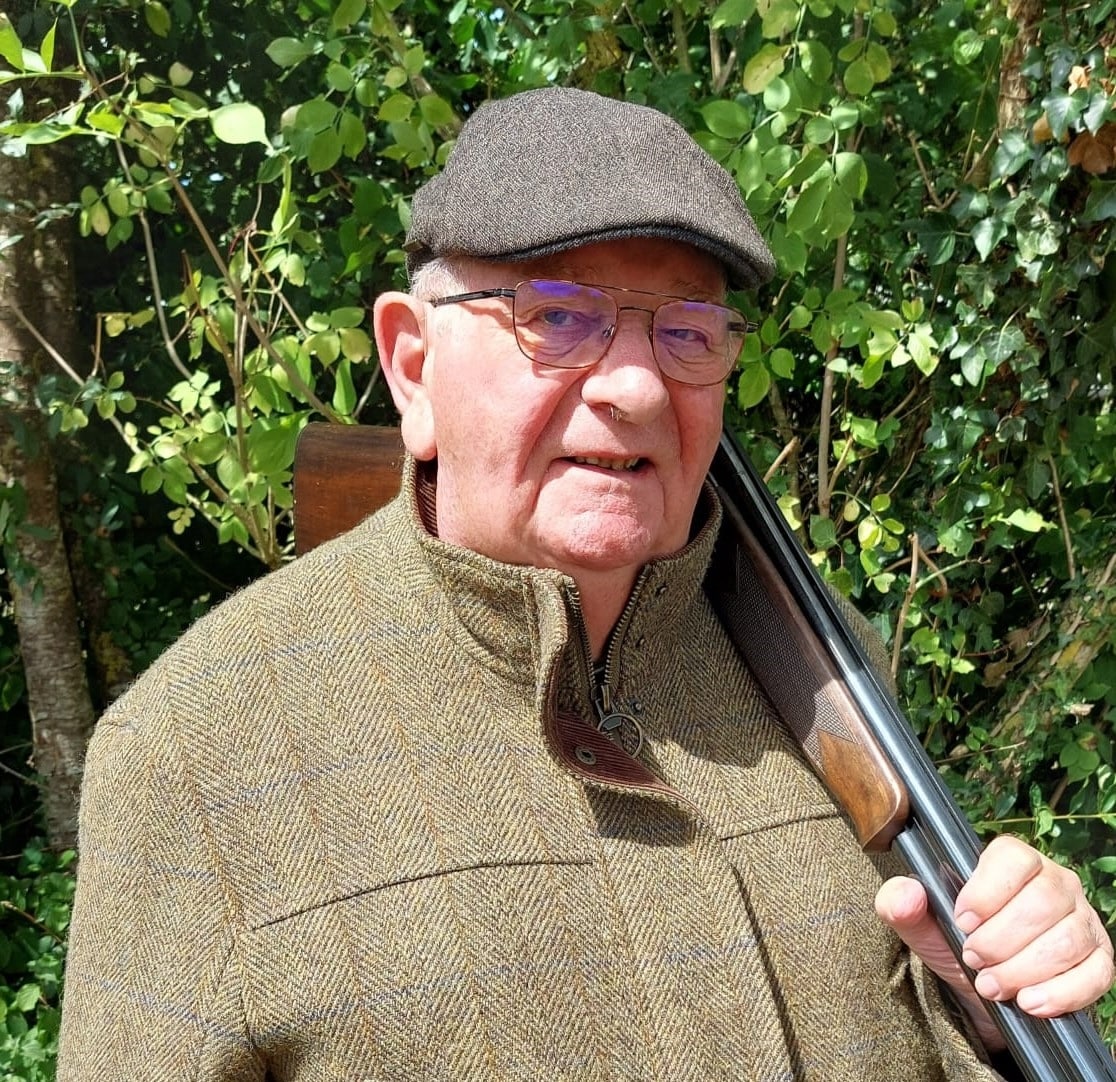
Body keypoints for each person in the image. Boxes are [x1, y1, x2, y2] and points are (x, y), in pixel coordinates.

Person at [57, 87, 1112, 1081]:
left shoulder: (823, 670)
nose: (638, 386)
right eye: (556, 315)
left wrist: (992, 1013)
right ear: (413, 366)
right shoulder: (193, 751)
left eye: (687, 330)